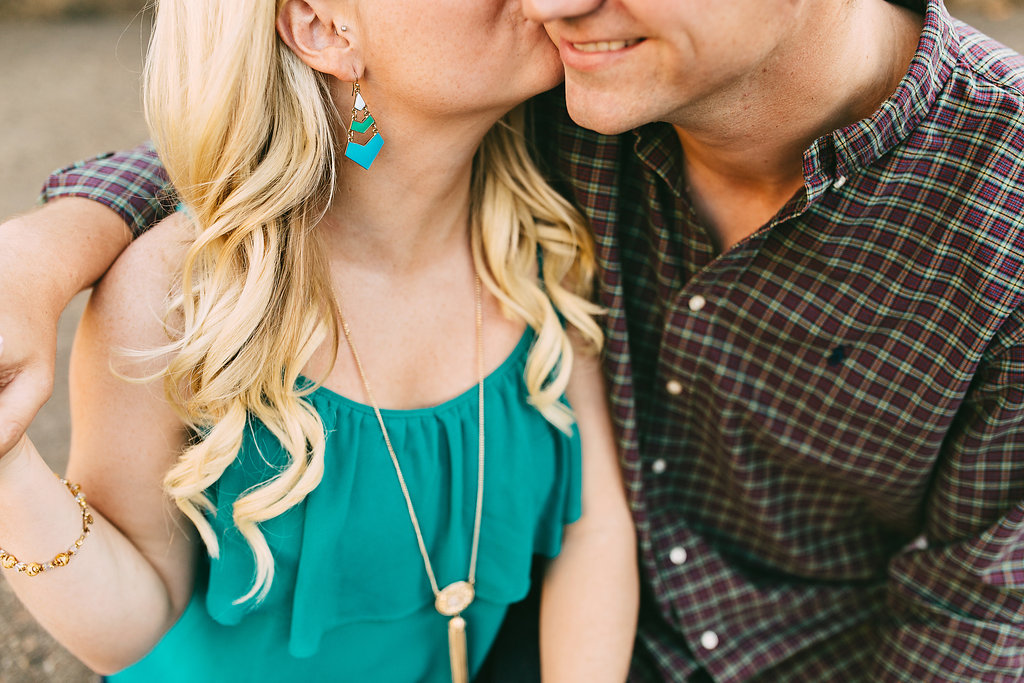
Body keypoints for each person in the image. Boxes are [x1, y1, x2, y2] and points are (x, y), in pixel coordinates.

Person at [2, 0, 1023, 679]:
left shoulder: (540, 215)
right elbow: (250, 162)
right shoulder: (578, 88)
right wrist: (44, 251)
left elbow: (974, 629)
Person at [0, 0, 639, 681]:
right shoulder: (177, 294)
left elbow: (593, 533)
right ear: (324, 28)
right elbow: (129, 627)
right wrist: (7, 464)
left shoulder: (540, 247)